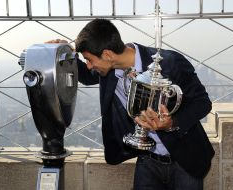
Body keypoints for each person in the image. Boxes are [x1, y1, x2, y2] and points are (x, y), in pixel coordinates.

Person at [49, 18, 215, 190]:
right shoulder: (108, 70)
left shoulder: (170, 63)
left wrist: (172, 122)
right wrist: (64, 51)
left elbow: (202, 103)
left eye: (90, 60)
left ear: (107, 54)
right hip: (147, 159)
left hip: (185, 159)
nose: (89, 66)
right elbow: (84, 74)